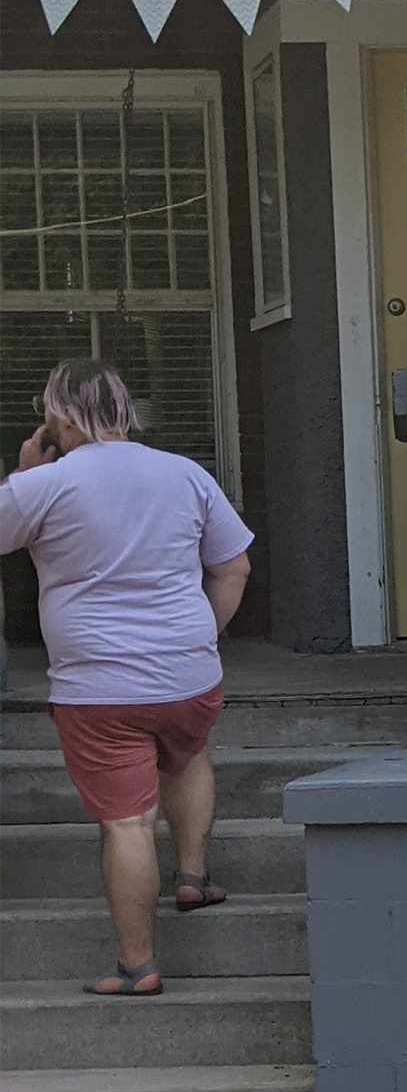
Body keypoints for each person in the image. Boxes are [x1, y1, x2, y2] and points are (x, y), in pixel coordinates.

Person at [0, 360, 252, 996]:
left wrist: (26, 477)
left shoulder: (46, 484)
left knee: (127, 823)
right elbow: (234, 568)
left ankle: (137, 964)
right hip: (188, 674)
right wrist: (200, 637)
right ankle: (192, 876)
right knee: (188, 753)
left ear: (58, 416)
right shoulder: (186, 473)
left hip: (97, 688)